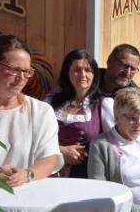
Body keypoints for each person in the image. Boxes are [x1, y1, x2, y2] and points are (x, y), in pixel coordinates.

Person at [0, 34, 63, 186]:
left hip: (24, 203)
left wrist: (27, 174)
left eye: (26, 71)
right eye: (14, 70)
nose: (21, 78)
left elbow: (50, 158)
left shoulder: (40, 111)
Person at [43, 49, 102, 178]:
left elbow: (111, 143)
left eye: (88, 70)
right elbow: (36, 138)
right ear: (67, 73)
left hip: (86, 175)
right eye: (77, 70)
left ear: (94, 74)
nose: (83, 74)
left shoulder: (103, 105)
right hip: (51, 172)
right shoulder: (51, 103)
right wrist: (60, 151)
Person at [98, 44, 140, 132]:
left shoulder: (135, 97)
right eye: (124, 66)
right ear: (109, 61)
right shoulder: (88, 82)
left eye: (133, 69)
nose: (128, 73)